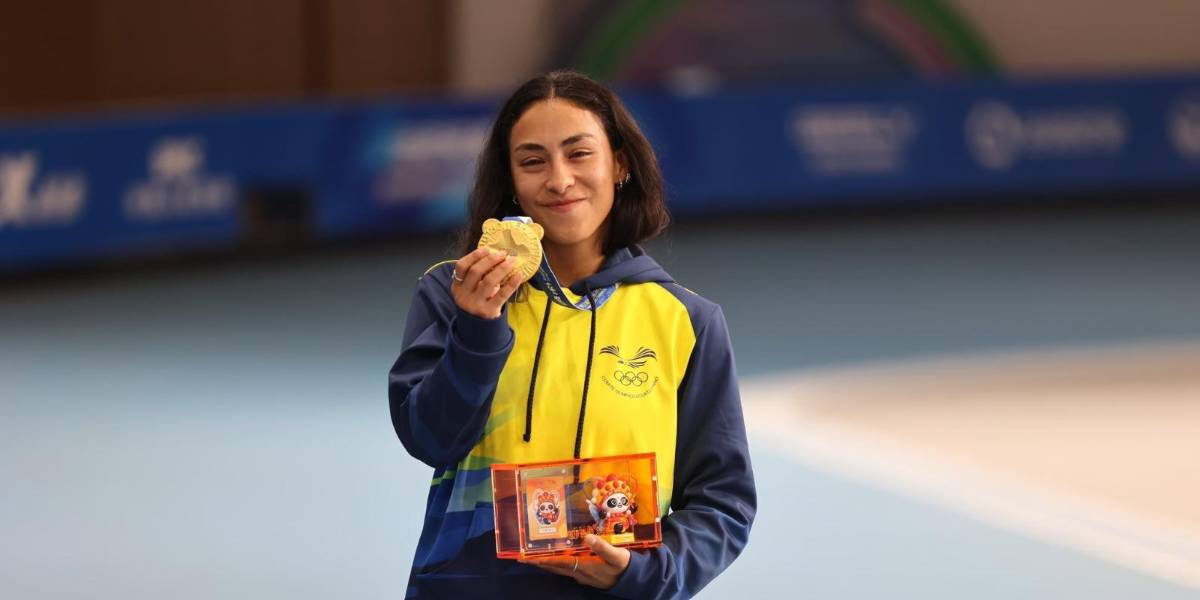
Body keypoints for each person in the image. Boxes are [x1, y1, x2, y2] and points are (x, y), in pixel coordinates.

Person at [388, 70, 755, 599]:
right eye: (533, 161)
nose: (559, 180)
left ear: (620, 164)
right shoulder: (454, 293)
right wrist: (478, 330)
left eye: (579, 154)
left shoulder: (688, 321)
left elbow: (724, 500)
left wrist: (644, 573)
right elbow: (429, 439)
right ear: (511, 181)